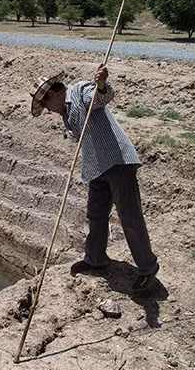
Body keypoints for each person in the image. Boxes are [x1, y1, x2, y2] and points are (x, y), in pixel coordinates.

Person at [30, 64, 159, 292]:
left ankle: (148, 269)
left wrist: (101, 85)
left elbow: (101, 97)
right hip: (97, 167)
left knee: (129, 215)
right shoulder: (66, 113)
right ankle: (95, 259)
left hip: (118, 161)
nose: (48, 111)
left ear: (53, 95)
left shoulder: (80, 91)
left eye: (45, 105)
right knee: (96, 214)